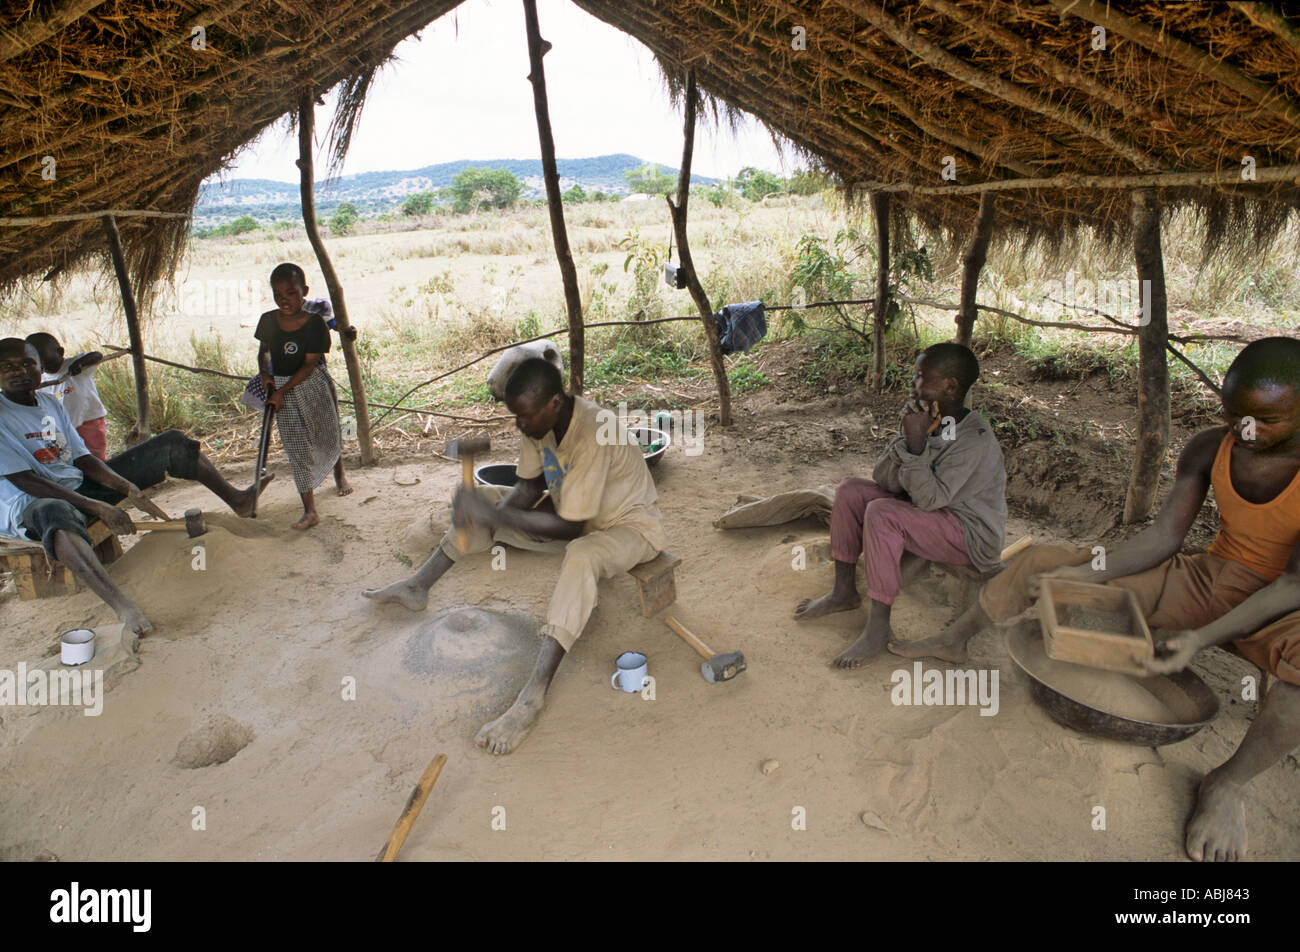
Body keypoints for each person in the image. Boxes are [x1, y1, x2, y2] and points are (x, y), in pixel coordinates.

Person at [925, 337, 1300, 862]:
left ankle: (1229, 784)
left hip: (1283, 609)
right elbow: (1163, 539)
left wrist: (1200, 639)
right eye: (1234, 414)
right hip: (1208, 580)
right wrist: (1084, 573)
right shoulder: (1210, 449)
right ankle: (959, 636)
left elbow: (1290, 585)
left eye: (1267, 419)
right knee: (1043, 564)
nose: (1246, 430)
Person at [363, 357, 668, 755]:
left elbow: (572, 529)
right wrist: (490, 513)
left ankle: (531, 698)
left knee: (581, 554)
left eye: (524, 417)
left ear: (555, 403)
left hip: (628, 529)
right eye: (515, 416)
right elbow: (526, 489)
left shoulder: (594, 432)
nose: (519, 425)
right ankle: (419, 585)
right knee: (487, 498)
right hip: (575, 517)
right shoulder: (539, 423)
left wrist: (494, 517)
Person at [0, 338, 272, 637]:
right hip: (32, 502)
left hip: (77, 487)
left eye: (27, 364)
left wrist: (128, 487)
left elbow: (84, 459)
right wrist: (98, 506)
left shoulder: (50, 402)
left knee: (171, 443)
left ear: (40, 368)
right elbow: (26, 480)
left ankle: (239, 501)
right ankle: (122, 606)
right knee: (54, 512)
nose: (19, 372)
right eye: (7, 367)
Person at [794, 342, 1007, 668]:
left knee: (882, 514)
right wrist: (909, 441)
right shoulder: (931, 419)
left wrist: (917, 445)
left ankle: (878, 629)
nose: (913, 384)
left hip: (969, 534)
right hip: (935, 515)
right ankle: (843, 592)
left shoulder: (973, 438)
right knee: (850, 490)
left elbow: (930, 499)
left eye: (922, 378)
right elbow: (886, 481)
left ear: (949, 386)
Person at [254, 263, 352, 529]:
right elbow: (264, 351)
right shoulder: (268, 321)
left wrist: (282, 391)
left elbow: (309, 365)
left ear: (304, 291)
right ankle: (310, 510)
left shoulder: (314, 326)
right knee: (295, 446)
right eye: (278, 294)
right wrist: (264, 373)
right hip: (282, 389)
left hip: (311, 384)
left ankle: (339, 473)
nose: (284, 299)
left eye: (291, 293)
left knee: (327, 433)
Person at [26, 332, 110, 461]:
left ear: (60, 352)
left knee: (95, 451)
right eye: (34, 358)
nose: (39, 361)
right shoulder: (41, 380)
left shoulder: (74, 365)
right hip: (63, 426)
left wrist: (80, 364)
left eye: (42, 355)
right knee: (72, 454)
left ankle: (104, 470)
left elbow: (96, 355)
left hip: (89, 419)